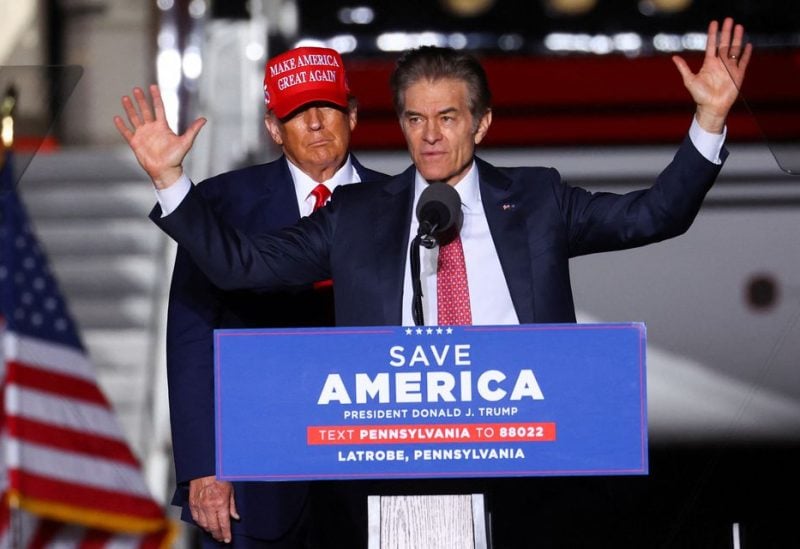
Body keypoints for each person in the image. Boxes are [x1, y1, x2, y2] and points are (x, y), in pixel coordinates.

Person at [118, 18, 750, 546]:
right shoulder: (361, 214)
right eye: (416, 119)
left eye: (448, 117)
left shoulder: (535, 199)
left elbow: (654, 214)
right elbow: (241, 267)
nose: (430, 135)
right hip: (402, 480)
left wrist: (708, 123)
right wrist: (172, 183)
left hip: (529, 466)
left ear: (480, 124)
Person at [115, 46, 387, 548]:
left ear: (351, 114)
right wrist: (203, 467)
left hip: (374, 465)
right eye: (297, 113)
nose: (315, 124)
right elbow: (192, 336)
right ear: (273, 127)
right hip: (258, 475)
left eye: (326, 107)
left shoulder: (404, 203)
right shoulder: (220, 204)